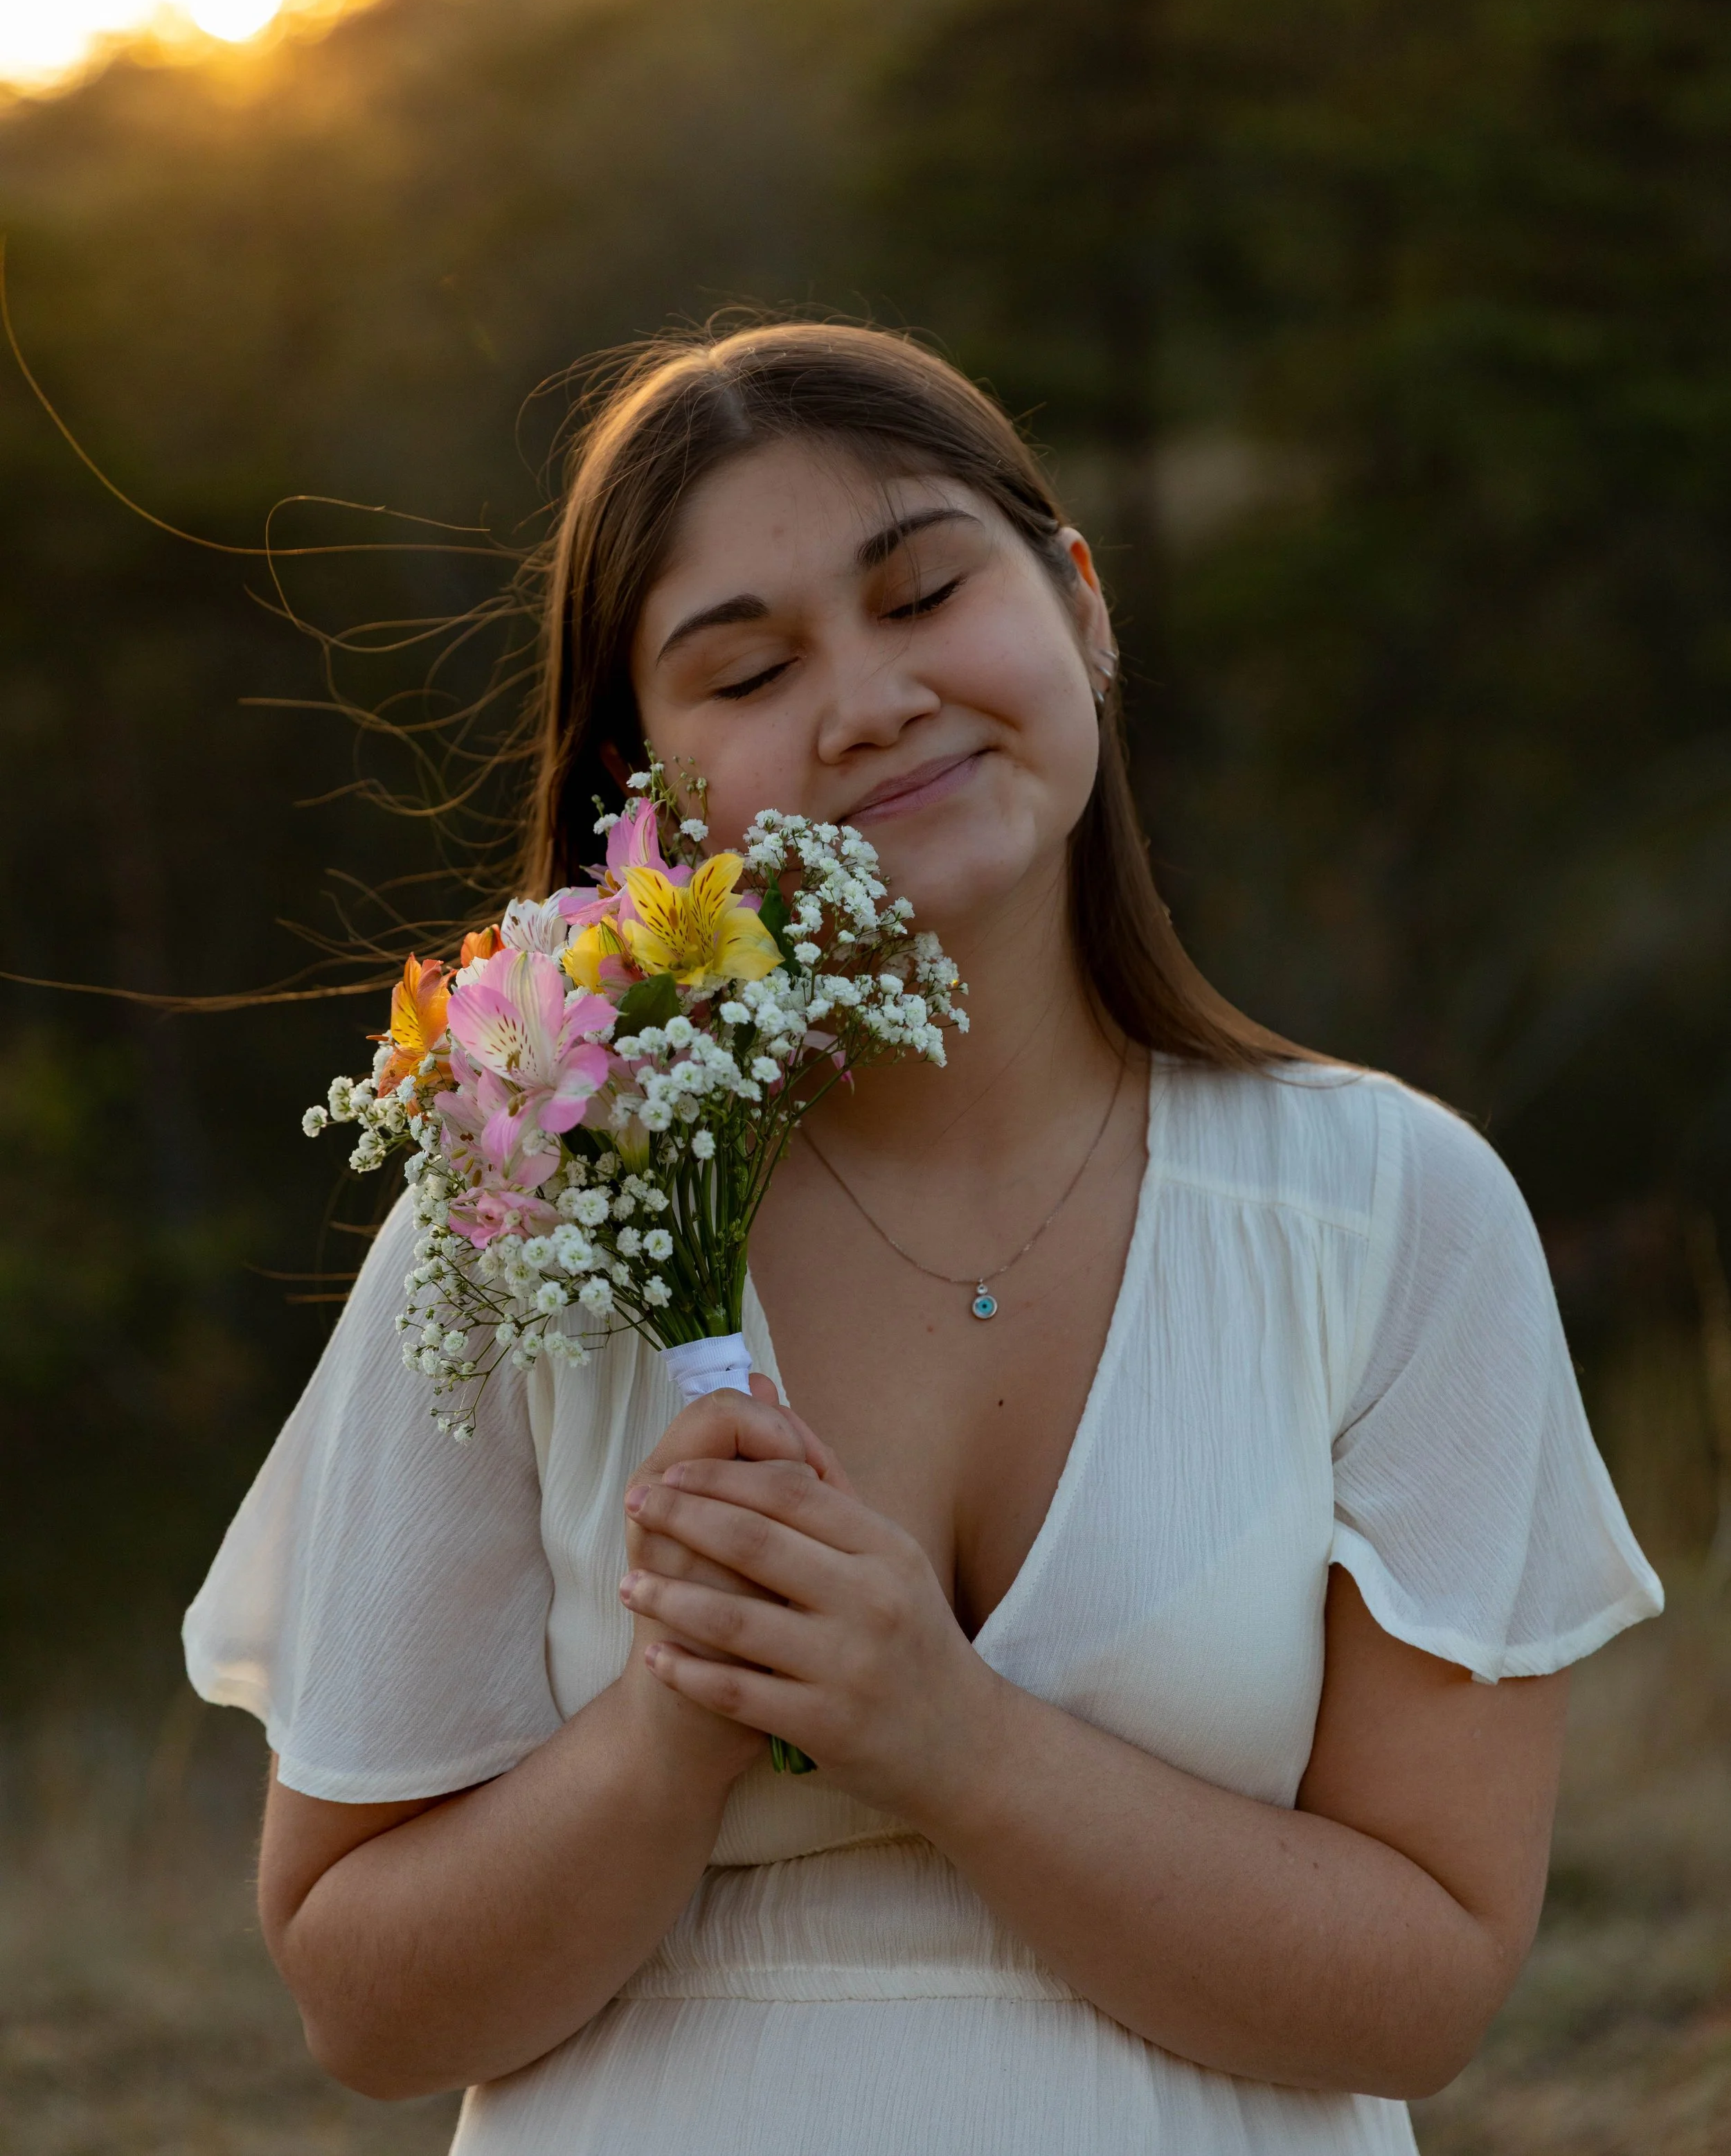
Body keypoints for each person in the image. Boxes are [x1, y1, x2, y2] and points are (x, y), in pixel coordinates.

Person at [185, 321, 1661, 2155]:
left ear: (1082, 607)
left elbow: (1425, 1983)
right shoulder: (525, 1203)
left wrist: (940, 1731)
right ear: (646, 792)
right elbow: (365, 2001)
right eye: (747, 666)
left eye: (923, 590)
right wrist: (672, 1724)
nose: (869, 696)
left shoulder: (1387, 1211)